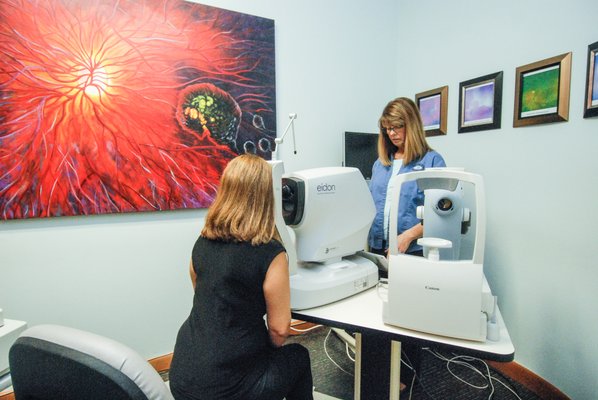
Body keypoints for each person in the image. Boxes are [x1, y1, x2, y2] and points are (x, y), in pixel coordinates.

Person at [169, 154, 313, 400]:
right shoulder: (270, 252)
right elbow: (279, 329)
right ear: (267, 195)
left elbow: (206, 294)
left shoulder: (202, 242)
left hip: (182, 377)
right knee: (298, 357)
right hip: (227, 389)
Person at [368, 97, 446, 257]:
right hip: (377, 248)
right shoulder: (380, 164)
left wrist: (408, 236)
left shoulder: (432, 161)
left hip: (411, 249)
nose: (391, 133)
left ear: (412, 125)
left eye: (397, 127)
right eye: (387, 128)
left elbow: (442, 213)